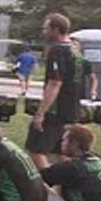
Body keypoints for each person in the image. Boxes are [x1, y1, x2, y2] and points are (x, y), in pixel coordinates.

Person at [27, 13, 84, 170]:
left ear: (56, 29)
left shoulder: (58, 51)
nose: (44, 32)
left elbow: (54, 83)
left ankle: (49, 184)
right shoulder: (76, 52)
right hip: (72, 110)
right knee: (63, 152)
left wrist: (41, 113)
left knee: (36, 150)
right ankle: (66, 183)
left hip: (55, 111)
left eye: (46, 28)